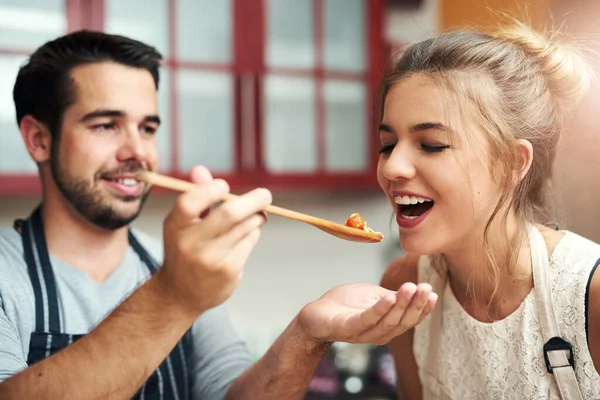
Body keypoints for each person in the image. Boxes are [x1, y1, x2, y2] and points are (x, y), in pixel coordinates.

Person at [0, 31, 438, 399]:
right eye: (105, 125)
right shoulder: (10, 274)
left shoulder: (174, 263)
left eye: (148, 127)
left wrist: (306, 334)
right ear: (38, 138)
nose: (137, 151)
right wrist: (175, 295)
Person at [377, 18, 600, 399]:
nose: (392, 167)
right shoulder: (404, 288)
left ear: (513, 163)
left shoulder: (591, 296)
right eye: (387, 144)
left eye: (431, 144)